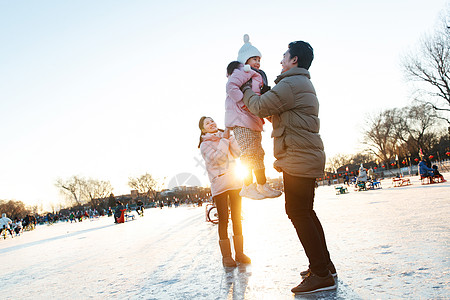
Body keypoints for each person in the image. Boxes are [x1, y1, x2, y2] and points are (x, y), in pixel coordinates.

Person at [240, 41, 336, 294]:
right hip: (302, 155)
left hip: (298, 157)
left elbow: (260, 107)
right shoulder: (297, 83)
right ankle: (324, 265)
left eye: (284, 55)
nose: (280, 59)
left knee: (298, 212)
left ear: (294, 60)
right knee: (305, 211)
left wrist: (246, 89)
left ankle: (321, 273)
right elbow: (275, 113)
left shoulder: (292, 84)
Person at [225, 34, 282, 200]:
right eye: (254, 59)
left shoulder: (257, 74)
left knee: (258, 153)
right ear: (245, 60)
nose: (257, 62)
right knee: (249, 152)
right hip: (240, 119)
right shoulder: (243, 70)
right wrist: (243, 103)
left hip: (252, 119)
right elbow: (231, 86)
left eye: (259, 59)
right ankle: (248, 186)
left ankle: (262, 184)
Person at [198, 116, 251, 268]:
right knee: (223, 219)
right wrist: (225, 140)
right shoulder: (204, 145)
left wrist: (230, 137)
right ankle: (226, 256)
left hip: (234, 181)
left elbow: (237, 153)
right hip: (219, 184)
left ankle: (240, 253)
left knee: (236, 217)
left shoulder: (225, 136)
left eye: (212, 121)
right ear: (203, 129)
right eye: (207, 123)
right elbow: (218, 159)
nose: (211, 124)